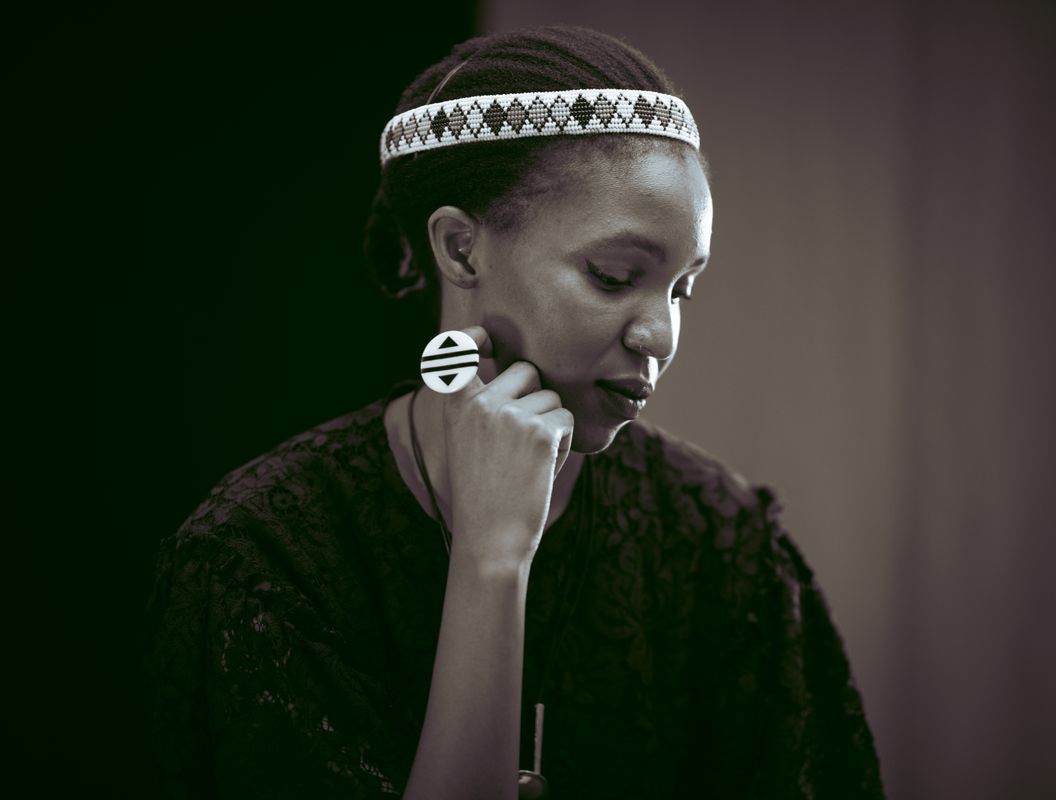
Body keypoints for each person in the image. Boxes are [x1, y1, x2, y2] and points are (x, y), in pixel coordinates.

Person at [143, 24, 885, 799]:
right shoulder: (262, 562)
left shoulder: (721, 545)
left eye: (681, 289)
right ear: (461, 249)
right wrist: (492, 559)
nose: (660, 336)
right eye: (613, 275)